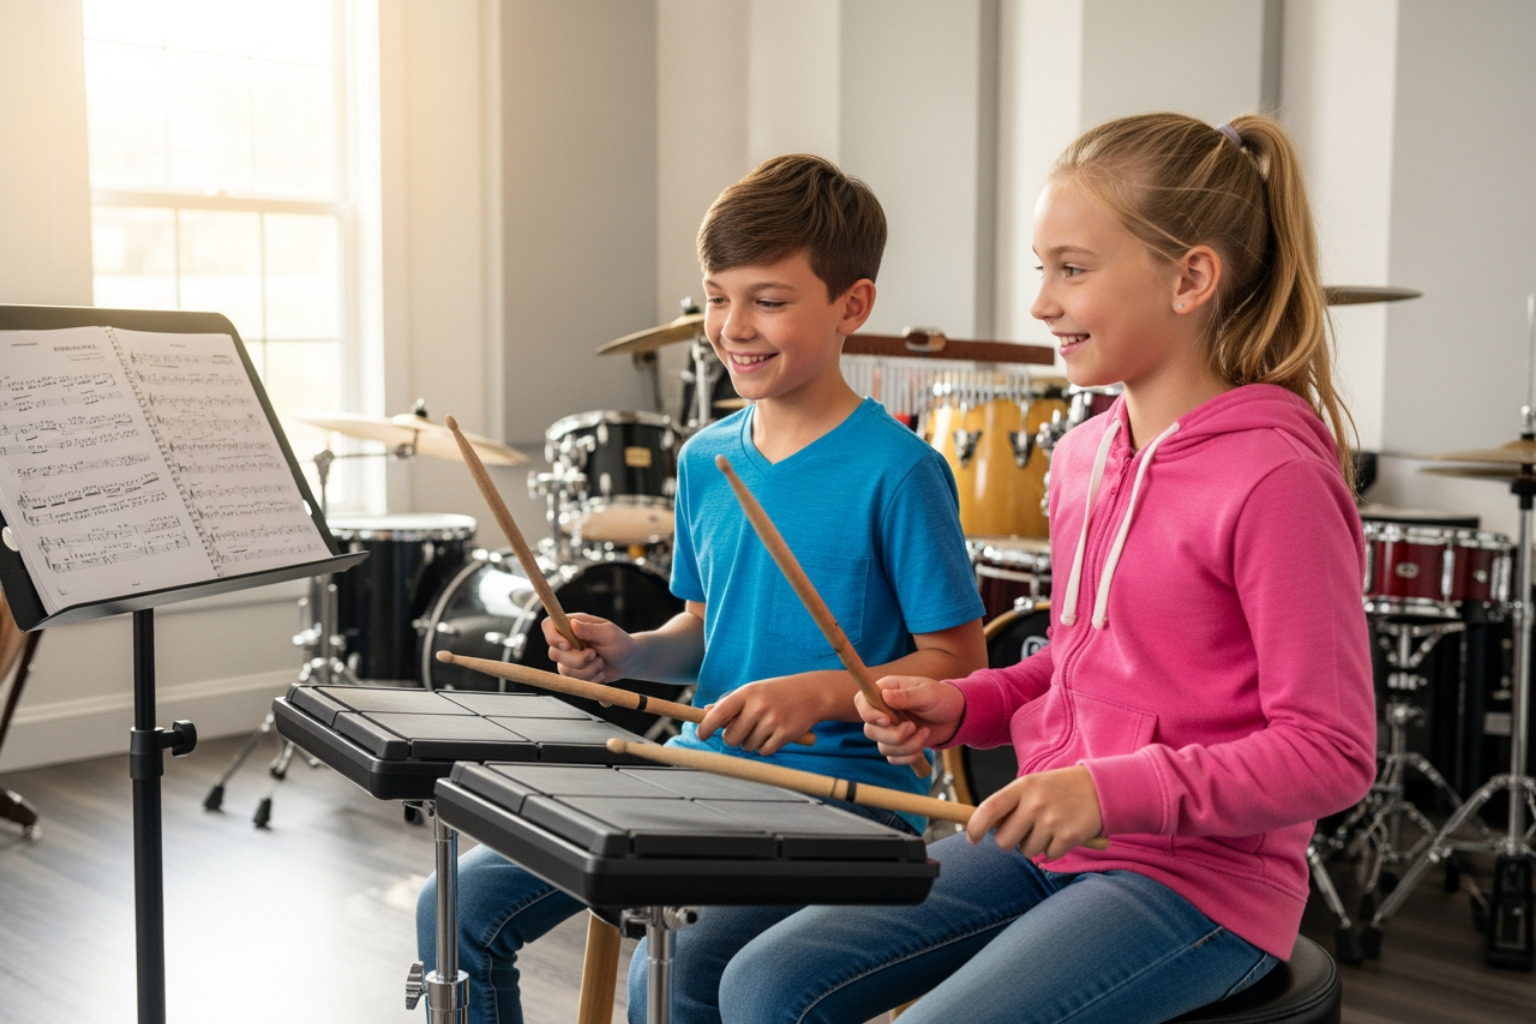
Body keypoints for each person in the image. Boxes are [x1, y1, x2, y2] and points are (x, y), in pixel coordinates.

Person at [718, 113, 1378, 1024]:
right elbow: (1076, 668)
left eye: (1072, 269)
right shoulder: (1082, 457)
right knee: (762, 982)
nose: (1040, 303)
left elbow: (1331, 753)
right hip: (1054, 844)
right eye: (1042, 268)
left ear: (1191, 278)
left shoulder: (1276, 478)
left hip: (1200, 885)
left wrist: (1108, 790)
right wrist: (962, 705)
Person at [415, 152, 988, 1024]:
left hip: (844, 801)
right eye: (718, 297)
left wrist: (815, 696)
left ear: (852, 305)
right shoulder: (706, 458)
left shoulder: (901, 472)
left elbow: (960, 664)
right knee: (454, 908)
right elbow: (704, 632)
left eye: (769, 300)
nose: (734, 327)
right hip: (699, 768)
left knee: (671, 978)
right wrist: (632, 653)